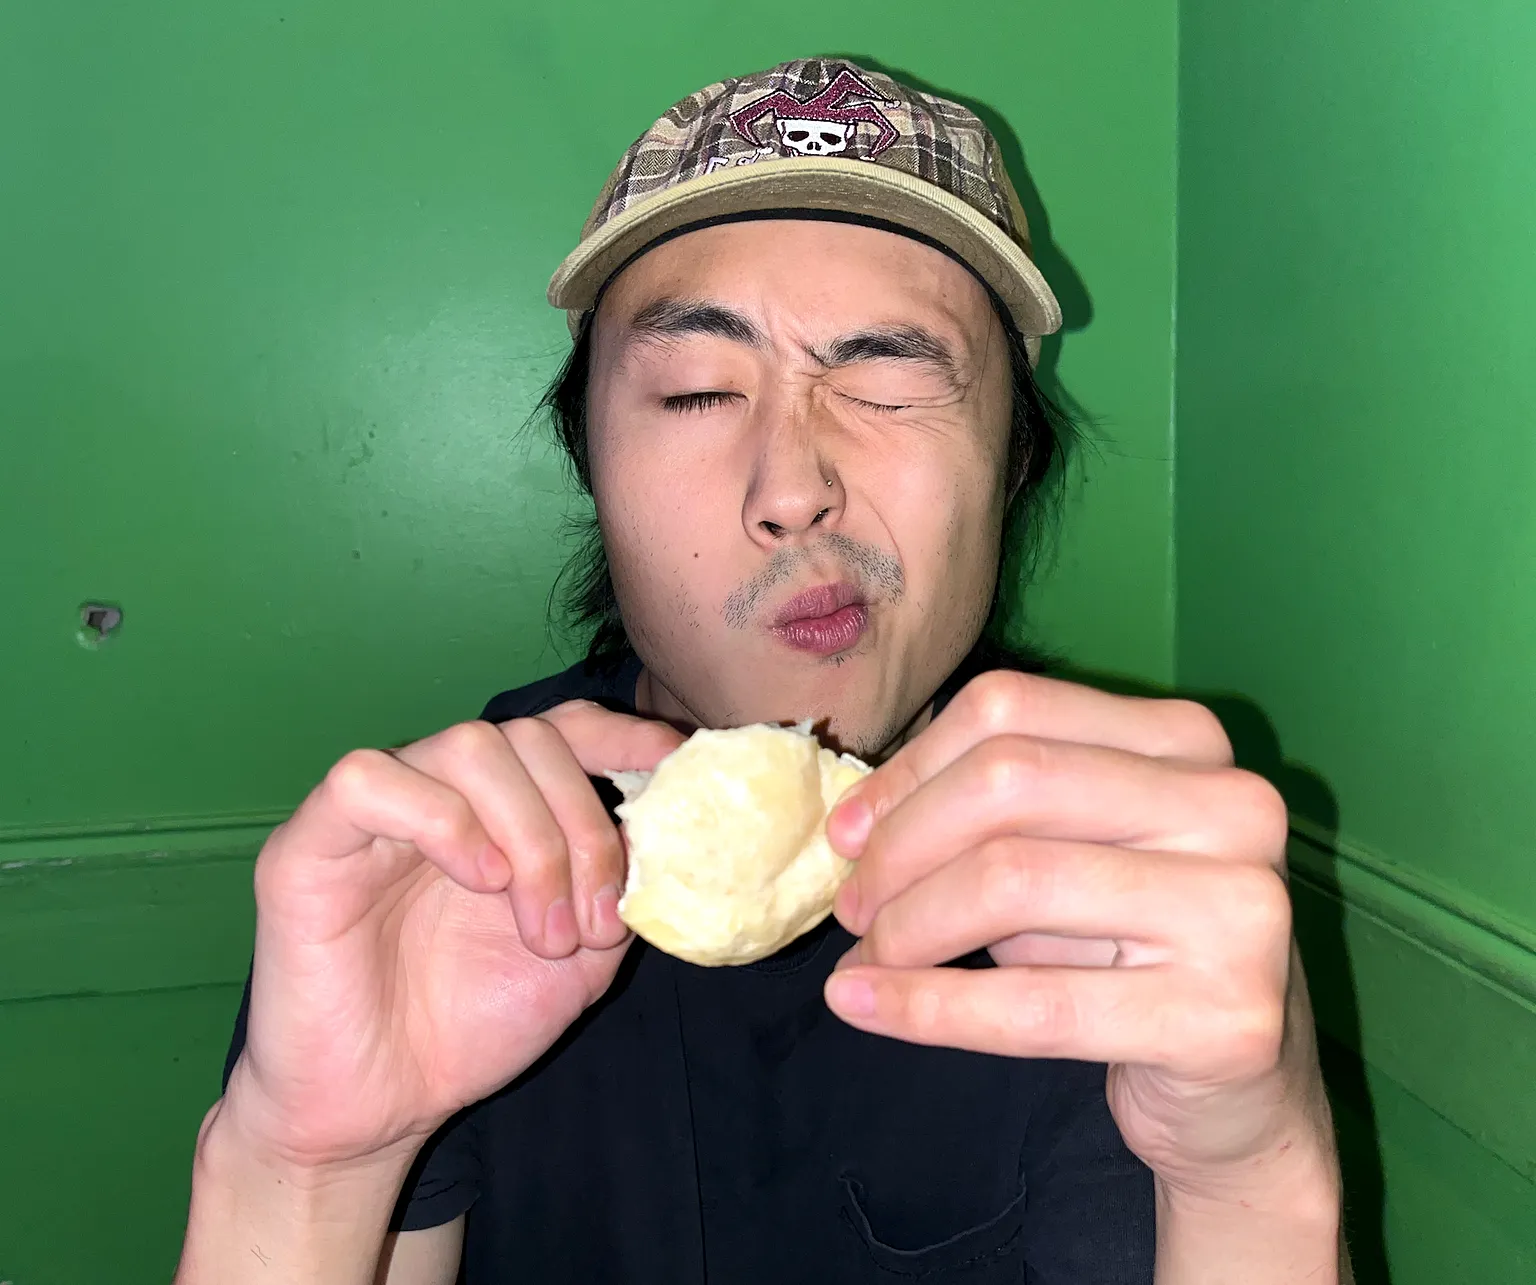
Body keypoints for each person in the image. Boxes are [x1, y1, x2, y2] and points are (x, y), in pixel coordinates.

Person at [174, 58, 1346, 1284]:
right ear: (591, 468)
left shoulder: (1109, 887)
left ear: (1011, 465)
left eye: (888, 383)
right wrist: (300, 1169)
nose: (793, 490)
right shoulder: (454, 865)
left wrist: (1254, 1176)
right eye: (696, 393)